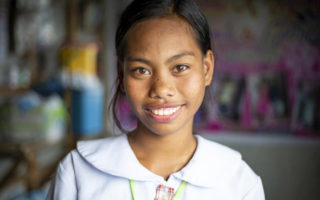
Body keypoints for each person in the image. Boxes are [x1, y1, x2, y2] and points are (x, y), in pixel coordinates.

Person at [46, 0, 265, 199]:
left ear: (206, 69)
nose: (161, 89)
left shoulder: (238, 182)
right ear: (121, 76)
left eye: (180, 67)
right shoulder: (79, 172)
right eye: (141, 70)